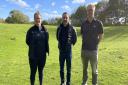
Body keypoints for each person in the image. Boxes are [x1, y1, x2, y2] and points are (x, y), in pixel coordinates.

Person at [81, 4, 104, 85]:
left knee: (94, 69)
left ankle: (94, 83)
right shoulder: (83, 23)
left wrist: (96, 44)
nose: (90, 11)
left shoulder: (98, 23)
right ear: (86, 11)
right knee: (84, 68)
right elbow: (82, 35)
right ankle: (84, 82)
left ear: (94, 10)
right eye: (88, 10)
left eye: (91, 9)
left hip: (93, 51)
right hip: (84, 50)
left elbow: (101, 36)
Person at [26, 11, 49, 85]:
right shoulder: (30, 30)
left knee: (41, 72)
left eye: (39, 18)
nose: (37, 20)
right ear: (34, 19)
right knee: (33, 73)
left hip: (42, 56)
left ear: (41, 19)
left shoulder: (45, 30)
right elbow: (27, 41)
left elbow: (46, 41)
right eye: (36, 18)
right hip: (33, 57)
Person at [56, 12, 77, 85]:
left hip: (68, 51)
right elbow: (57, 37)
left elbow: (75, 39)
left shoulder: (72, 28)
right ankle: (62, 82)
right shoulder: (59, 28)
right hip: (61, 51)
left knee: (68, 68)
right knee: (61, 68)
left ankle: (68, 82)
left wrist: (70, 44)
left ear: (68, 18)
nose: (65, 19)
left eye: (66, 17)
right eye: (63, 17)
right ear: (62, 18)